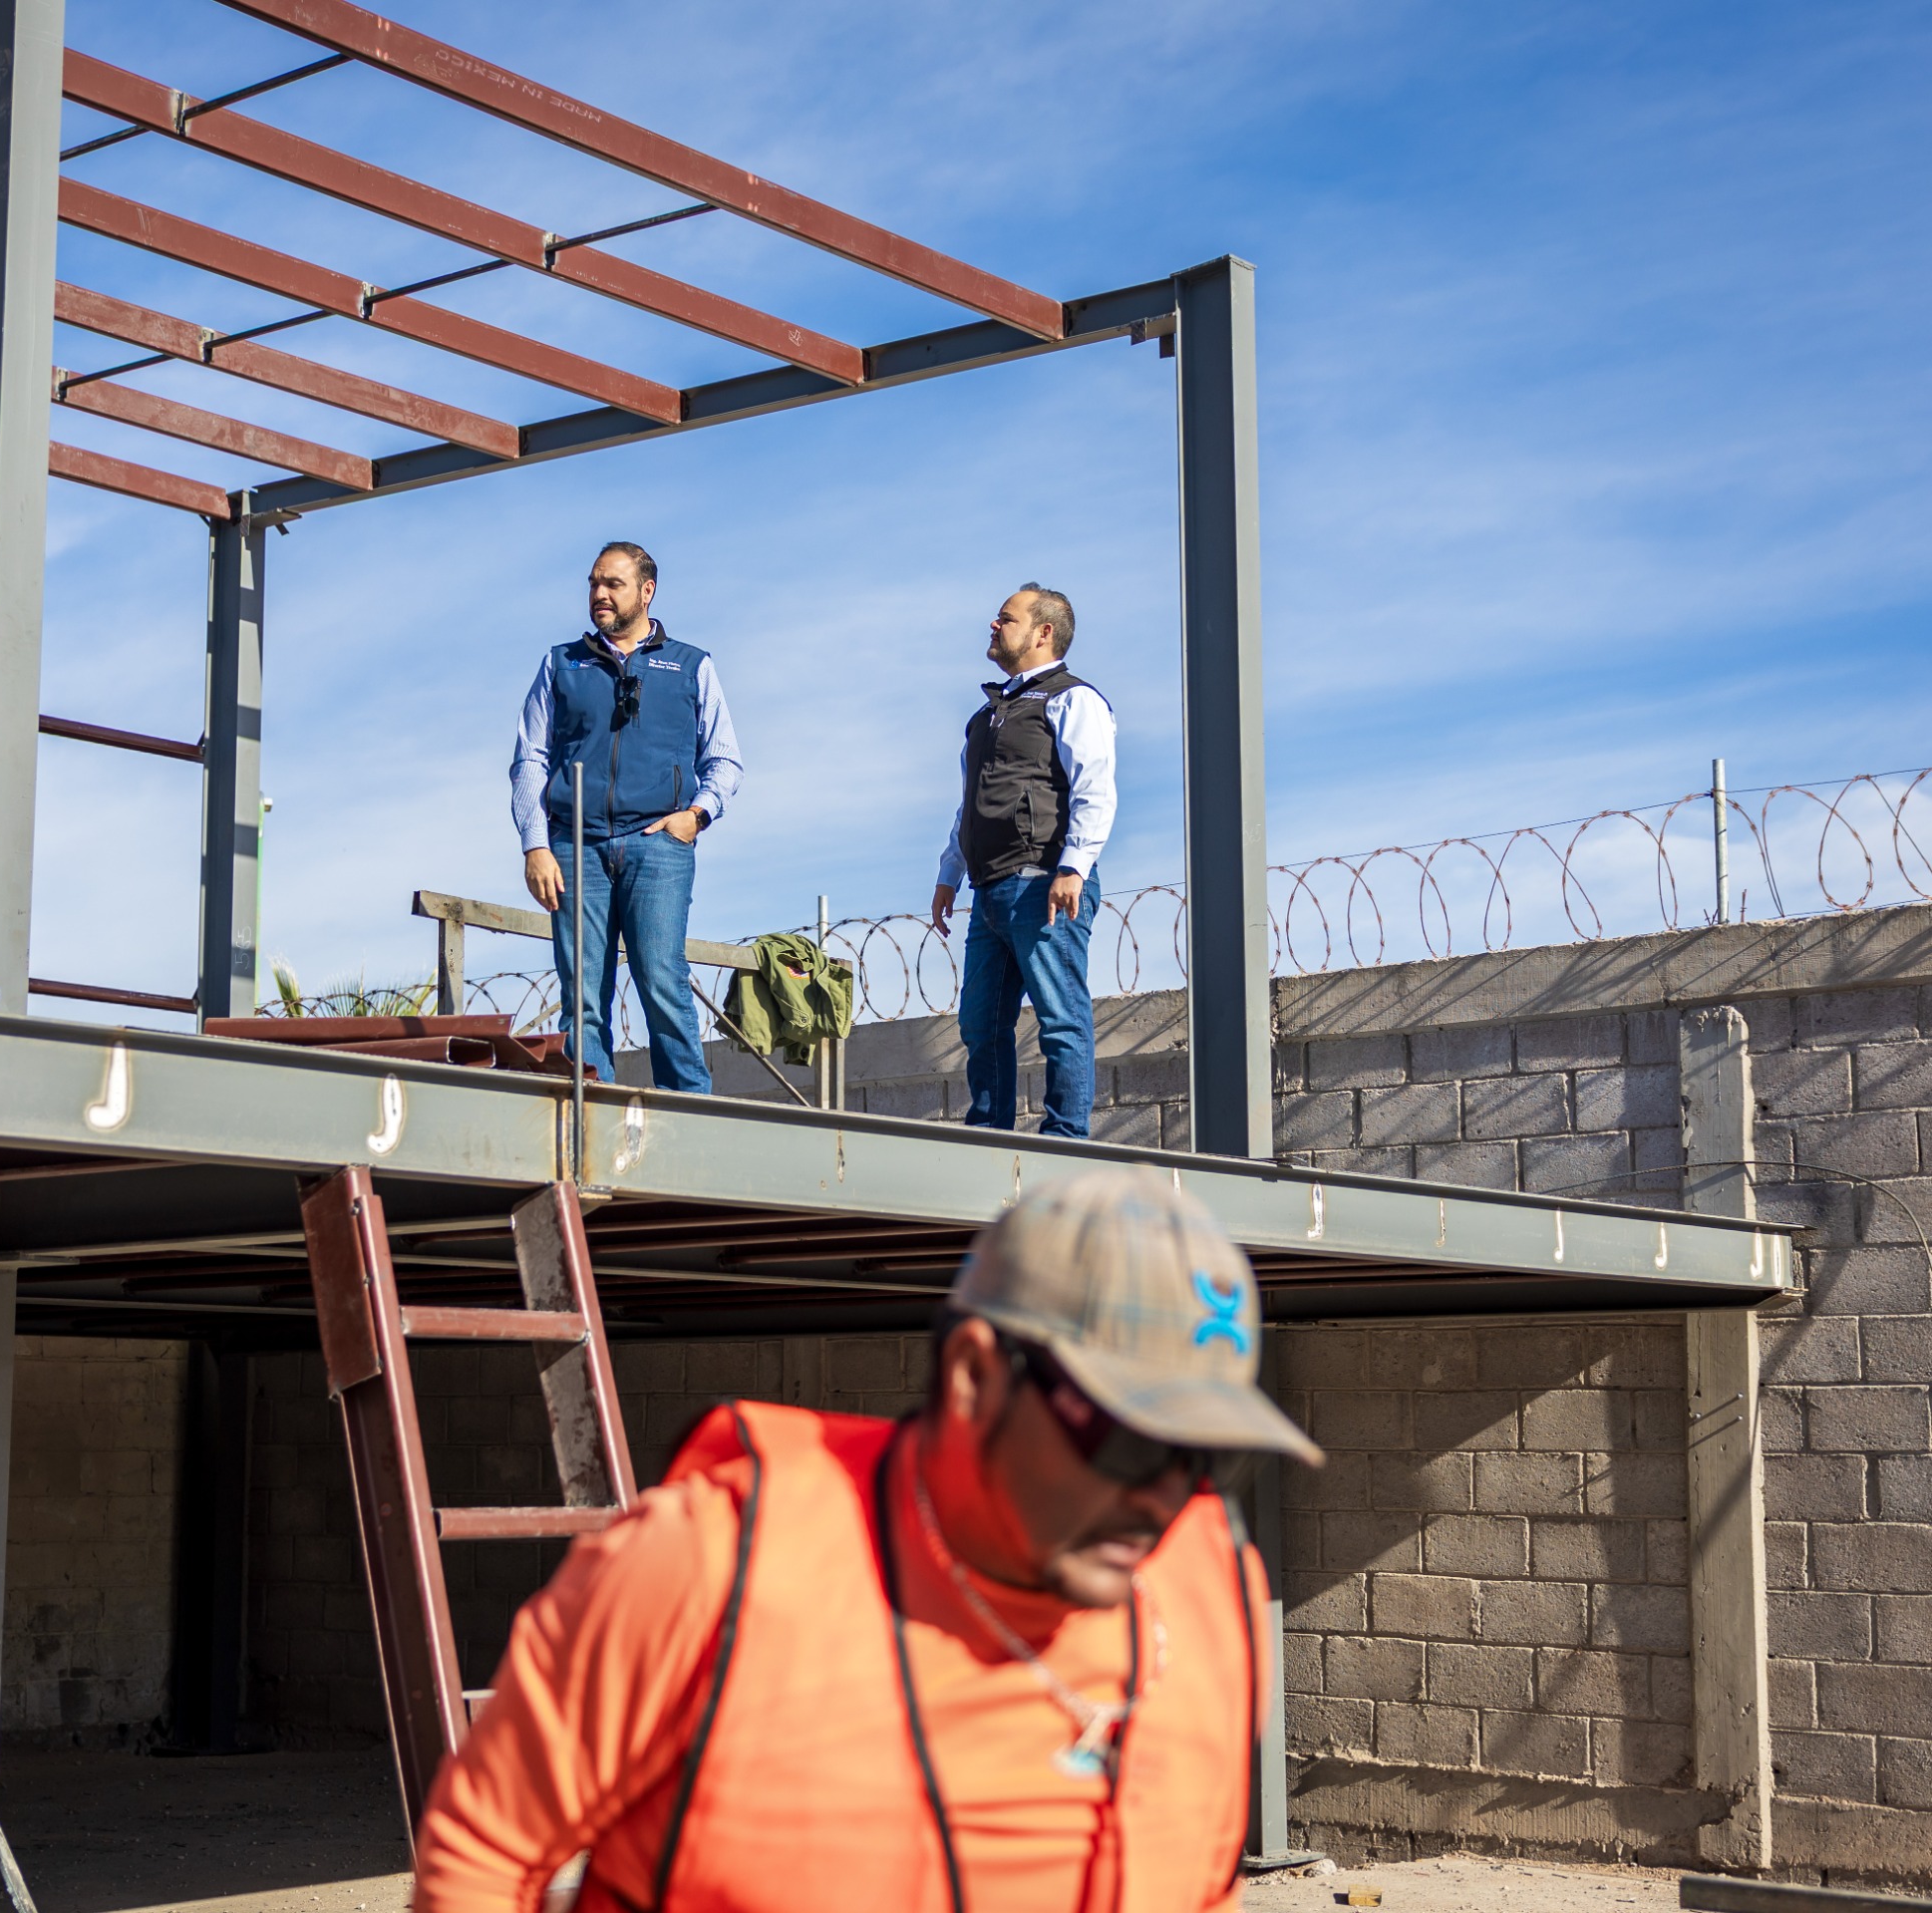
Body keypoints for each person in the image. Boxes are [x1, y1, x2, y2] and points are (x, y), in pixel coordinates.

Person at [414, 1167, 1321, 1912]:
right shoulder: (710, 1561)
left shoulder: (1215, 1591)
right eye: (1126, 1436)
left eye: (1204, 1452)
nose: (1165, 1495)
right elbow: (484, 1860)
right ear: (973, 1374)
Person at [509, 542, 742, 1093]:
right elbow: (529, 758)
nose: (599, 595)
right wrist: (535, 844)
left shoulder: (690, 664)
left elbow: (725, 759)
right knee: (582, 998)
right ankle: (590, 1115)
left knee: (663, 984)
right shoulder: (561, 663)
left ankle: (690, 1115)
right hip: (574, 850)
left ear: (646, 591)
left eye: (612, 584)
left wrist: (697, 816)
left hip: (658, 844)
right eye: (593, 583)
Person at [930, 583, 1116, 1138]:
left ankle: (1066, 1136)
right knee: (980, 1024)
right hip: (988, 891)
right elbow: (972, 804)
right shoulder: (985, 717)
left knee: (1059, 1018)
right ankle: (990, 1131)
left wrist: (1073, 868)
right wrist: (949, 874)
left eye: (1005, 619)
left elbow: (1095, 791)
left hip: (1043, 881)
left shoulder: (1073, 699)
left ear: (1043, 632)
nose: (993, 625)